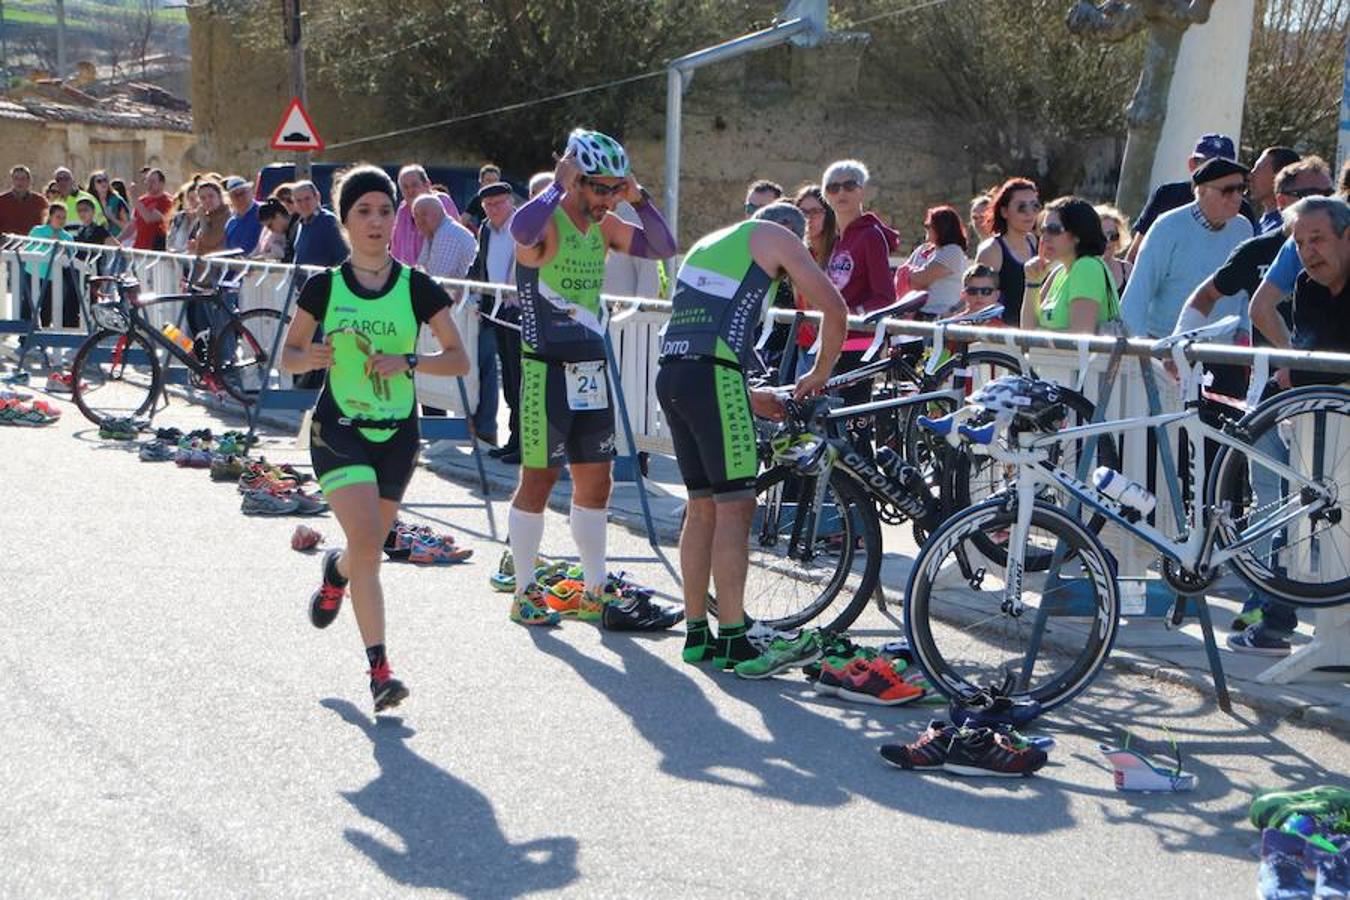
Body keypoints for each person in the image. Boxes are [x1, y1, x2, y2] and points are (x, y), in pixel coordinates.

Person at [279, 164, 471, 712]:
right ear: (344, 221)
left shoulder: (416, 287)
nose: (375, 221)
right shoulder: (325, 286)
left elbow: (457, 359)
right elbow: (290, 354)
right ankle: (380, 671)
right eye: (363, 211)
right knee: (371, 545)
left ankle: (335, 571)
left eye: (385, 211)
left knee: (364, 551)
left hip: (398, 435)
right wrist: (308, 357)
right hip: (339, 429)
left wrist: (411, 360)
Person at [657, 202, 847, 668]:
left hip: (674, 375)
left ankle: (697, 631)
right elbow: (834, 308)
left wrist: (743, 391)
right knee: (736, 506)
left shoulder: (711, 242)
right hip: (714, 378)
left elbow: (704, 328)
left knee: (701, 506)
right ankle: (735, 635)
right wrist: (821, 371)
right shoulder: (776, 236)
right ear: (794, 234)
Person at [506, 128, 677, 628]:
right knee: (537, 480)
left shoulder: (605, 227)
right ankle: (524, 590)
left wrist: (638, 198)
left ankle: (593, 589)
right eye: (598, 187)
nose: (607, 199)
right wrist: (557, 186)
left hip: (591, 369)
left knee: (596, 482)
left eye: (612, 188)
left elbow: (663, 246)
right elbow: (520, 232)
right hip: (545, 369)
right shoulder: (546, 221)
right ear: (575, 178)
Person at [1235, 196, 1350, 656]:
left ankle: (1275, 616)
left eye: (1317, 240)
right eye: (1300, 243)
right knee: (1296, 510)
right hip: (1320, 423)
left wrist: (1302, 373)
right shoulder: (1307, 284)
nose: (1308, 252)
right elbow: (1312, 358)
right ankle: (1274, 615)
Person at [1121, 157, 1253, 344]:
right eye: (1228, 190)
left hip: (1224, 353)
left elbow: (1248, 289)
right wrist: (1142, 353)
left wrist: (1245, 329)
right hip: (1166, 348)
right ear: (1201, 190)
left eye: (1241, 189)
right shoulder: (1167, 227)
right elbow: (1137, 295)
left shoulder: (1244, 228)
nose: (1237, 197)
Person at [822, 159, 899, 452]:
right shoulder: (835, 238)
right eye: (833, 187)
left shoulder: (870, 236)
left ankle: (863, 493)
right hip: (830, 342)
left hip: (858, 345)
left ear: (862, 191)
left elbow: (885, 297)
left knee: (854, 428)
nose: (841, 192)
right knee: (829, 424)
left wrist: (851, 315)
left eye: (849, 185)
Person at [1126, 133, 1257, 263]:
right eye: (1207, 164)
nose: (1217, 172)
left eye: (1225, 167)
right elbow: (1137, 252)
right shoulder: (1167, 196)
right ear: (1192, 164)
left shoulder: (1241, 210)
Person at [412, 194, 480, 426]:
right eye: (416, 217)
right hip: (448, 308)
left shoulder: (447, 234)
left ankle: (462, 427)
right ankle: (437, 424)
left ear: (440, 212)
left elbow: (435, 277)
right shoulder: (434, 234)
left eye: (425, 214)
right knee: (435, 371)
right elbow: (420, 268)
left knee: (460, 373)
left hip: (461, 310)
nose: (420, 220)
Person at [469, 182, 522, 461]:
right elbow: (480, 264)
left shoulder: (523, 226)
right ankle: (514, 439)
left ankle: (524, 442)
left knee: (521, 377)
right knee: (510, 381)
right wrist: (469, 290)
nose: (494, 209)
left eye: (499, 203)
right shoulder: (486, 229)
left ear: (510, 201)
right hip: (496, 310)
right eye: (488, 206)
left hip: (519, 311)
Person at [1021, 197, 1120, 333]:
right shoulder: (1060, 271)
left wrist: (1040, 335)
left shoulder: (1087, 267)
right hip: (1048, 355)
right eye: (1043, 230)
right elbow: (1027, 332)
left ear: (1077, 234)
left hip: (1075, 355)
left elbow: (1079, 338)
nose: (1045, 237)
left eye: (1054, 229)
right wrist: (1032, 282)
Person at [975, 177, 1039, 325]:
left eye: (1034, 206)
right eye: (1021, 207)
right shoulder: (991, 251)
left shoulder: (1034, 241)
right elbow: (978, 303)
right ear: (1004, 212)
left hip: (1033, 333)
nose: (1029, 213)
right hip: (1002, 338)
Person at [791, 184, 838, 377]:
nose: (808, 219)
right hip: (805, 342)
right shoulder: (798, 252)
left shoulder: (840, 252)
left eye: (815, 212)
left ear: (828, 214)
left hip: (832, 346)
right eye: (802, 212)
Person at [897, 205, 969, 316]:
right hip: (916, 315)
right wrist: (912, 275)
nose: (926, 229)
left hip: (939, 318)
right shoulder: (922, 249)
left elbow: (920, 280)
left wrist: (909, 273)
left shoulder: (952, 251)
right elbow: (903, 277)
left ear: (942, 228)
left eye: (928, 226)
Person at [391, 164, 460, 266]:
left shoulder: (441, 203)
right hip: (406, 277)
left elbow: (451, 247)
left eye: (414, 185)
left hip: (437, 276)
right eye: (405, 187)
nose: (410, 191)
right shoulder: (403, 210)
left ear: (427, 184)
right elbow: (396, 251)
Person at [23, 204, 75, 328]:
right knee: (28, 306)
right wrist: (50, 243)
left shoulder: (67, 237)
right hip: (33, 272)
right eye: (58, 217)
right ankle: (24, 336)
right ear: (50, 216)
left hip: (53, 277)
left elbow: (70, 256)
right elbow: (29, 248)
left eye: (64, 217)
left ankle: (43, 339)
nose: (61, 220)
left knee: (47, 308)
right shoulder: (37, 231)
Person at [292, 181, 349, 269]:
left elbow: (342, 258)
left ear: (317, 197)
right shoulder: (301, 224)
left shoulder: (329, 222)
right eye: (298, 201)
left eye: (307, 199)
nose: (303, 204)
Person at [1249, 146, 1302, 235]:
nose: (1250, 176)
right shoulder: (1256, 225)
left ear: (1278, 176)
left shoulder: (1289, 228)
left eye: (1258, 170)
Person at [129, 168, 172, 251]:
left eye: (152, 181)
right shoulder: (142, 201)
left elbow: (149, 218)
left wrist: (135, 199)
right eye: (147, 181)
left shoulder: (167, 201)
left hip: (155, 249)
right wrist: (118, 240)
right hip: (138, 248)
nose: (149, 184)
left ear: (161, 183)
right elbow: (132, 225)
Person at [0, 165, 49, 237]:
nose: (19, 182)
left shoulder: (40, 201)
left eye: (23, 178)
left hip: (32, 244)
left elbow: (46, 225)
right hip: (6, 244)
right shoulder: (2, 200)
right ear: (12, 180)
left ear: (29, 180)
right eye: (16, 178)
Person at [1095, 203, 1133, 290]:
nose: (1108, 241)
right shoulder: (1074, 270)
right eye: (1102, 235)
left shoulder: (1128, 270)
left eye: (1113, 236)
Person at [188, 180, 230, 256]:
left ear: (219, 196)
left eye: (211, 196)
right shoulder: (207, 216)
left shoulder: (226, 216)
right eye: (203, 198)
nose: (207, 200)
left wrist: (202, 219)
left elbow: (210, 240)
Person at [223, 176, 263, 253]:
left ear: (251, 191)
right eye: (235, 195)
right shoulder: (231, 223)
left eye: (243, 193)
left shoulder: (263, 212)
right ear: (230, 199)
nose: (240, 198)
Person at [86, 170, 130, 238]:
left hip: (116, 239)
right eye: (99, 181)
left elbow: (128, 226)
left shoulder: (117, 200)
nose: (103, 183)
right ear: (93, 186)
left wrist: (112, 218)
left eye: (105, 180)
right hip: (94, 239)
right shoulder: (89, 200)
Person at [460, 164, 501, 229]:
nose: (492, 184)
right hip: (485, 236)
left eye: (495, 180)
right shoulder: (479, 199)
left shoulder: (505, 199)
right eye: (488, 180)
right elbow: (463, 220)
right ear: (481, 182)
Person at [166, 179, 201, 253]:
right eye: (192, 199)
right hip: (174, 258)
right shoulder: (179, 217)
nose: (196, 203)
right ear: (186, 200)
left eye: (199, 199)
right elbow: (170, 239)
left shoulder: (204, 219)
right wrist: (171, 250)